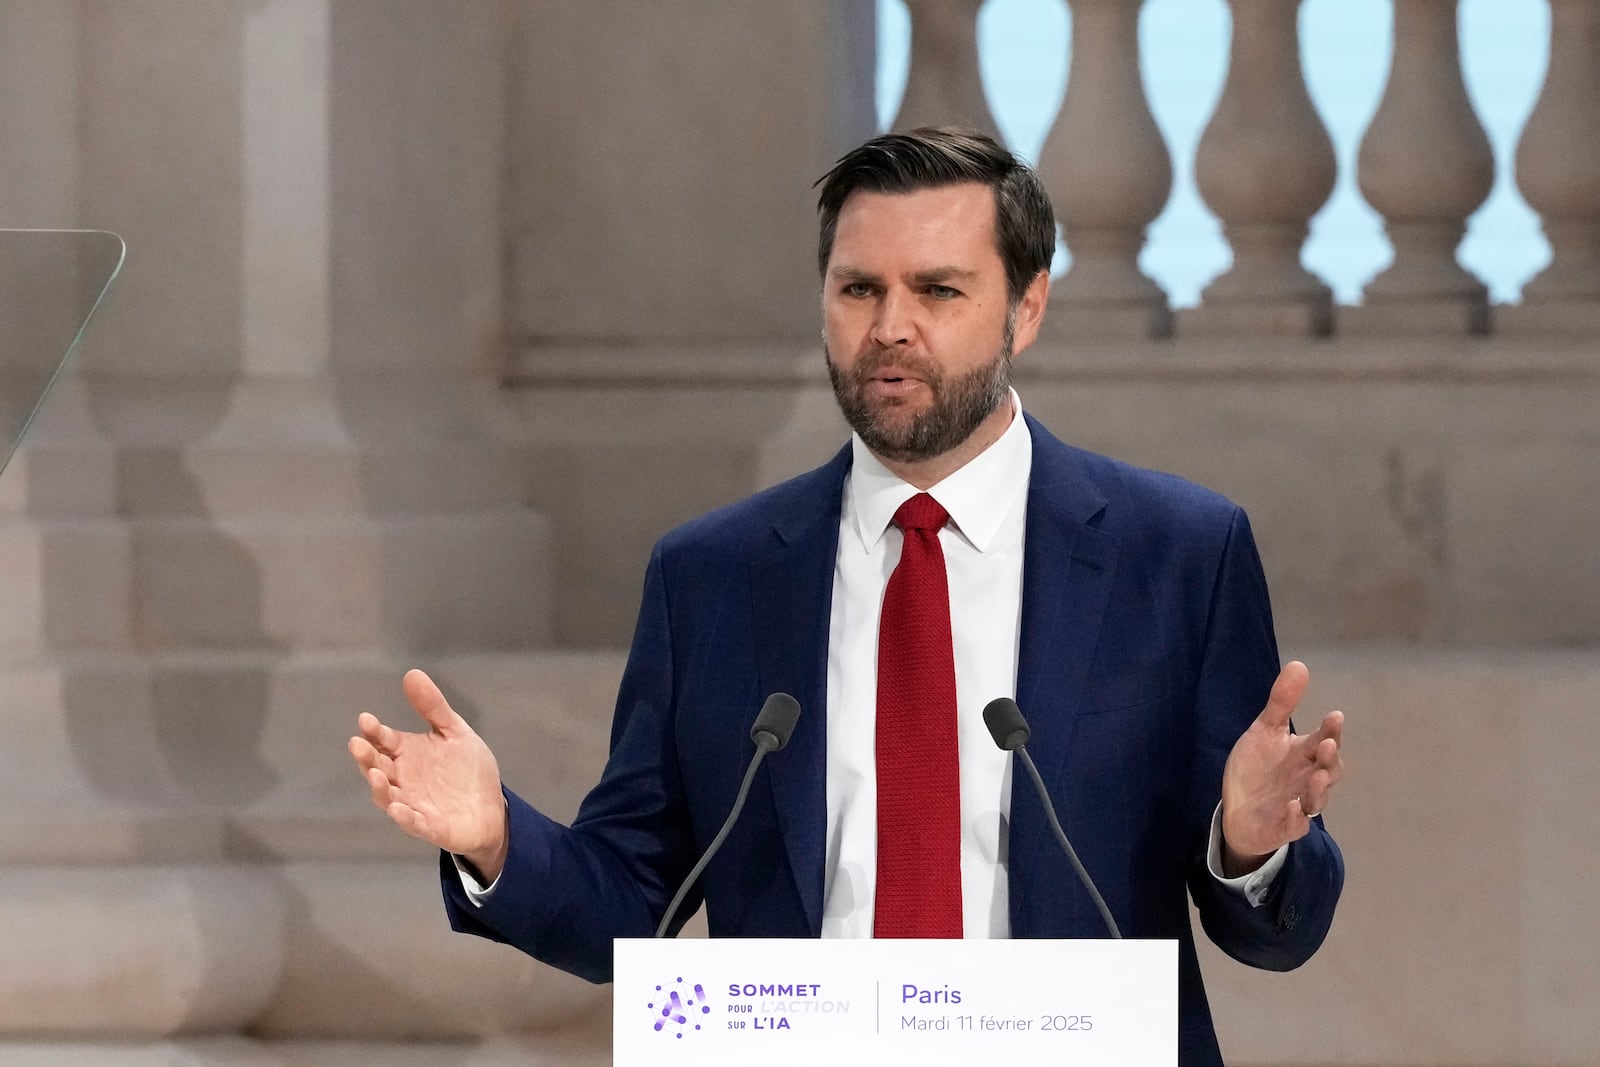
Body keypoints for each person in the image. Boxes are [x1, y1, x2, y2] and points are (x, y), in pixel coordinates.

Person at [349, 126, 1345, 1066]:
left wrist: (1250, 844)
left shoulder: (1173, 553)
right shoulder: (713, 576)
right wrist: (494, 838)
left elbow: (1271, 931)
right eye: (858, 288)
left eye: (939, 290)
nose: (890, 328)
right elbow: (632, 907)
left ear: (1027, 307)